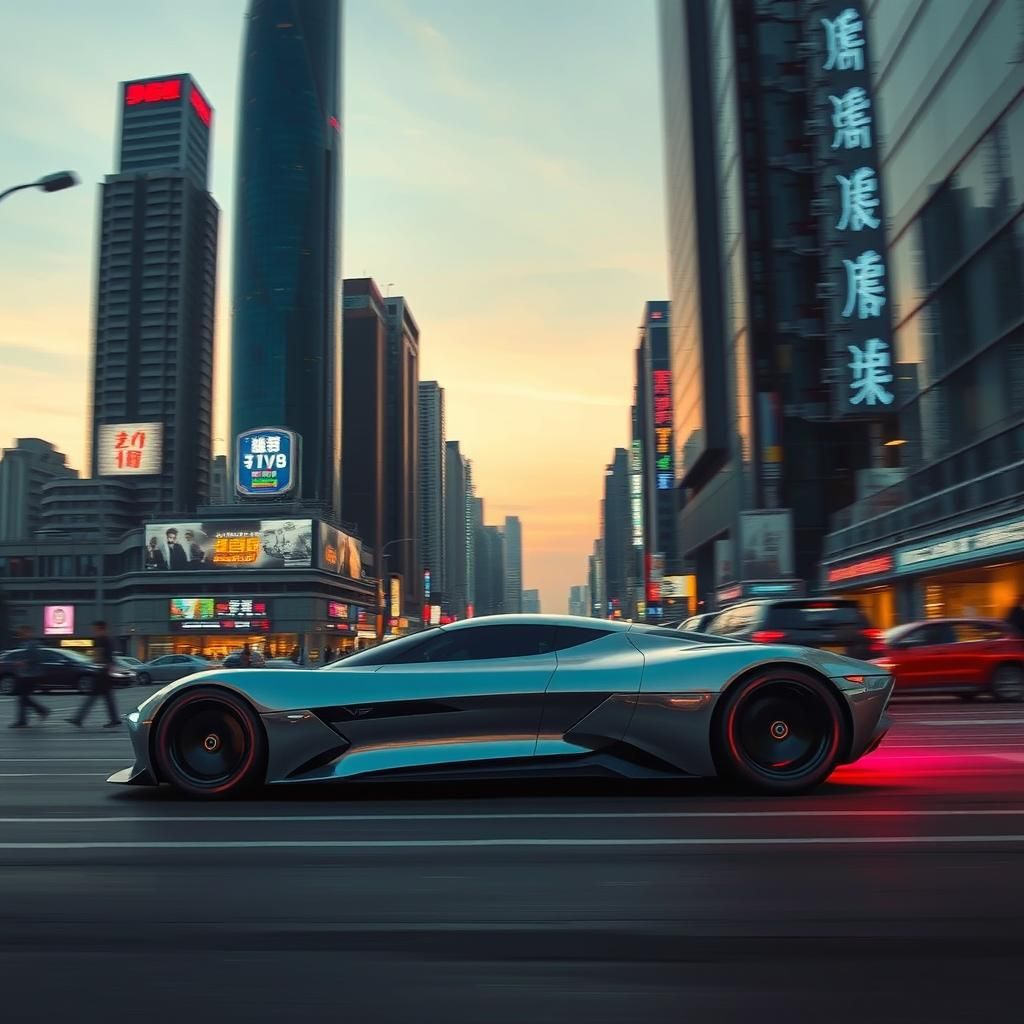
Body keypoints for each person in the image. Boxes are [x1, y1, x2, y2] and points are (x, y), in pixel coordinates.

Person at [67, 621, 119, 729]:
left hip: (102, 672)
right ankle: (114, 719)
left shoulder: (104, 640)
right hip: (102, 671)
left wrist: (104, 665)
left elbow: (107, 657)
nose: (94, 631)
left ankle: (78, 718)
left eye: (95, 629)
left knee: (94, 697)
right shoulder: (103, 640)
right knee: (104, 697)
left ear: (101, 629)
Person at [9, 626, 49, 729]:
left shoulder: (33, 644)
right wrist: (18, 663)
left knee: (23, 698)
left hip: (31, 675)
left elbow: (37, 658)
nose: (20, 634)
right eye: (20, 632)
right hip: (23, 674)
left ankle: (37, 713)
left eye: (22, 632)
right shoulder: (23, 644)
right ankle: (37, 713)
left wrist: (24, 662)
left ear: (29, 632)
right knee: (23, 698)